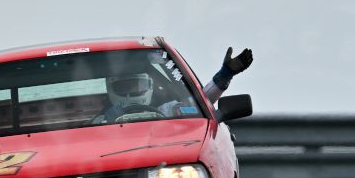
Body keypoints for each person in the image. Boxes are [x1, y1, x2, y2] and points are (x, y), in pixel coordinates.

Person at [101, 47, 253, 123]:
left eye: (138, 86)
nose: (132, 92)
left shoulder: (168, 111)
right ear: (110, 88)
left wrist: (224, 75)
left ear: (151, 86)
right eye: (124, 87)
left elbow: (201, 103)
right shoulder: (100, 121)